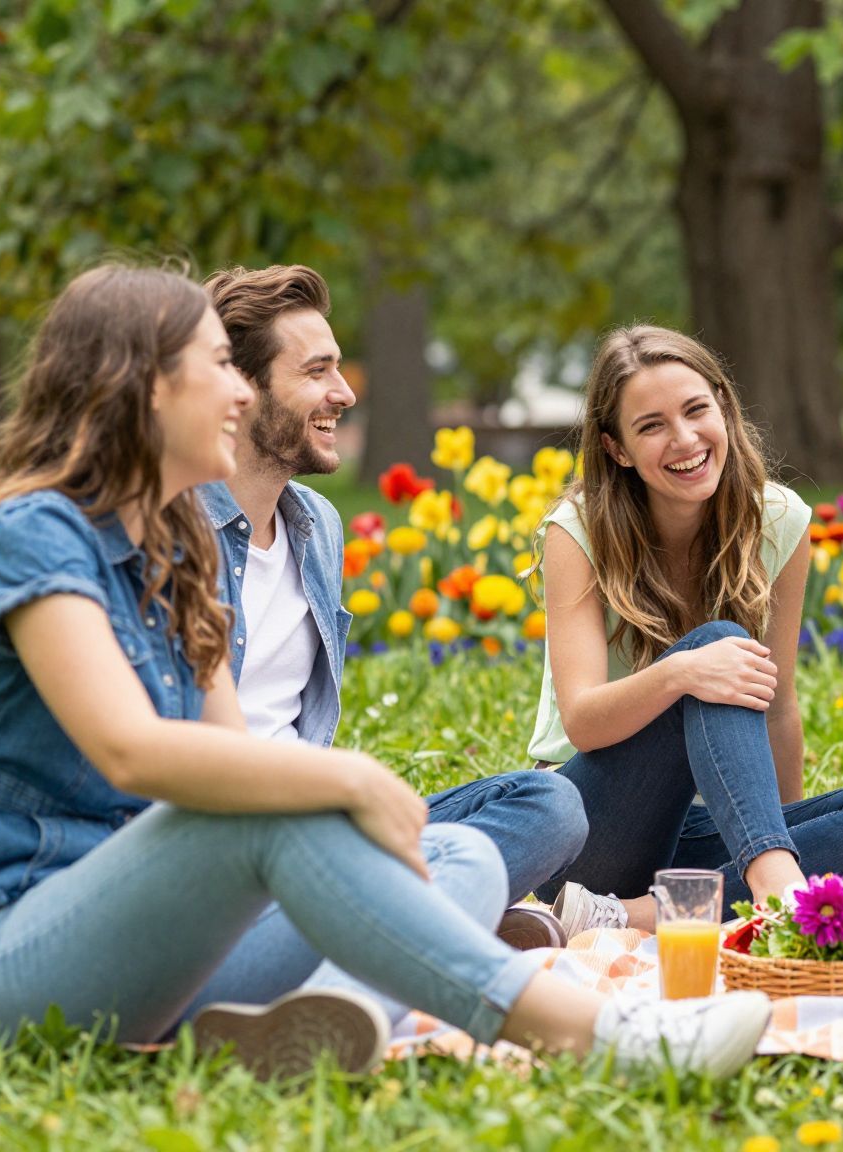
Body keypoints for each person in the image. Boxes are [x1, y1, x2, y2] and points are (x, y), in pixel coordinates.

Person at [0, 265, 770, 1081]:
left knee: (454, 855)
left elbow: (230, 753)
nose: (237, 391)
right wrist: (338, 777)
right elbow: (131, 752)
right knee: (280, 810)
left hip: (160, 956)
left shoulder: (176, 554)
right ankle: (599, 1037)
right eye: (220, 365)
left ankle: (278, 1031)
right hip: (6, 966)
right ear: (145, 387)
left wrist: (334, 810)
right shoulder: (40, 535)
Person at [197, 264, 584, 949]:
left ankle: (383, 920)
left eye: (339, 369)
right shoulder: (170, 532)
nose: (343, 393)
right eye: (317, 372)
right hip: (215, 851)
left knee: (550, 805)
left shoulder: (317, 527)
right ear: (242, 389)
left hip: (321, 833)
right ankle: (428, 920)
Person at [530, 325, 843, 933]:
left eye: (696, 410)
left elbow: (777, 706)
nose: (684, 439)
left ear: (723, 404)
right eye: (651, 425)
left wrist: (779, 834)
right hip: (589, 823)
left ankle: (632, 917)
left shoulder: (778, 520)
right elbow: (581, 718)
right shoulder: (578, 531)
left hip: (697, 828)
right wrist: (682, 672)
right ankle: (774, 898)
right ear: (616, 449)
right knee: (718, 648)